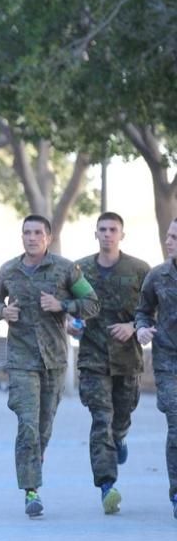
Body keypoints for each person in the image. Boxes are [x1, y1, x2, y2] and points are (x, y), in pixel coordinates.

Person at [0, 215, 99, 518]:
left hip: (54, 360)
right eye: (26, 232)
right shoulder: (9, 269)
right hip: (21, 360)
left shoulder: (66, 268)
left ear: (48, 237)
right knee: (27, 425)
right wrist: (2, 311)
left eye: (37, 233)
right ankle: (31, 490)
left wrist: (63, 306)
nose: (31, 237)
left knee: (44, 427)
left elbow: (91, 302)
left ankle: (35, 462)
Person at [70, 212, 150, 514]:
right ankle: (107, 485)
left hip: (127, 360)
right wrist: (70, 323)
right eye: (102, 229)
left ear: (122, 235)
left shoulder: (140, 270)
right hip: (92, 359)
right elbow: (68, 308)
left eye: (113, 229)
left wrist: (132, 326)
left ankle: (120, 438)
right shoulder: (79, 269)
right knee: (101, 420)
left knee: (121, 417)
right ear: (95, 234)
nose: (107, 234)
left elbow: (153, 310)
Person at [135, 218, 177, 520]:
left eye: (174, 237)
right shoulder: (158, 276)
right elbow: (143, 310)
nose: (168, 241)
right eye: (168, 235)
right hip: (167, 361)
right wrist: (141, 329)